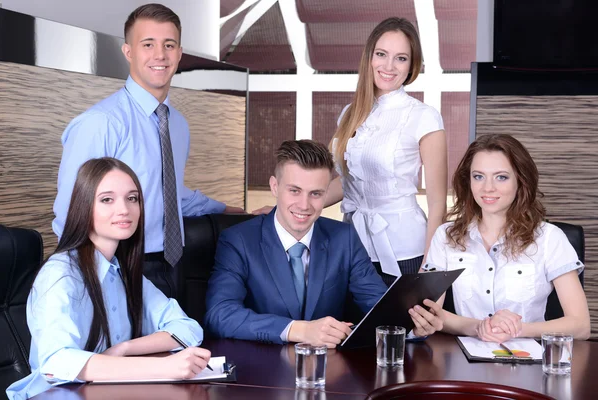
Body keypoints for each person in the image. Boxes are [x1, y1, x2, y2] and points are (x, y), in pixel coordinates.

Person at [52, 3, 243, 299]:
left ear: (180, 53)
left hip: (172, 263)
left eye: (169, 45)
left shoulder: (177, 124)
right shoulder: (101, 123)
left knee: (178, 342)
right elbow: (70, 210)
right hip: (118, 262)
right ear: (128, 52)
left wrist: (228, 210)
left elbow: (170, 193)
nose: (160, 55)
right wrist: (97, 275)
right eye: (148, 44)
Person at [253, 17, 447, 286]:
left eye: (401, 58)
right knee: (353, 326)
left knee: (400, 329)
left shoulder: (424, 117)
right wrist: (282, 210)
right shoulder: (350, 113)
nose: (389, 66)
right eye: (381, 54)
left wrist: (430, 267)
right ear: (369, 57)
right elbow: (347, 184)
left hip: (405, 250)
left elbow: (438, 203)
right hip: (354, 243)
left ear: (412, 65)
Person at [205, 140, 444, 347]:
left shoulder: (345, 238)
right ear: (274, 187)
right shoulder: (238, 240)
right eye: (295, 191)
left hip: (326, 373)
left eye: (316, 194)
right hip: (260, 372)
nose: (304, 205)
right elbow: (220, 315)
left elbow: (379, 306)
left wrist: (412, 327)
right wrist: (298, 330)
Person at [7, 158, 210, 400]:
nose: (124, 209)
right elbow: (56, 362)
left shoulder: (121, 271)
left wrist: (124, 349)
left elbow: (187, 328)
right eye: (107, 199)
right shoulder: (61, 273)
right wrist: (164, 367)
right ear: (84, 207)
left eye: (132, 198)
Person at [425, 134, 590, 342]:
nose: (487, 188)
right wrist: (479, 327)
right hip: (463, 359)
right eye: (478, 176)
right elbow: (429, 313)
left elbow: (581, 325)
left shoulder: (550, 238)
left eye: (501, 177)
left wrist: (515, 328)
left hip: (527, 361)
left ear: (521, 181)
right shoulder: (446, 236)